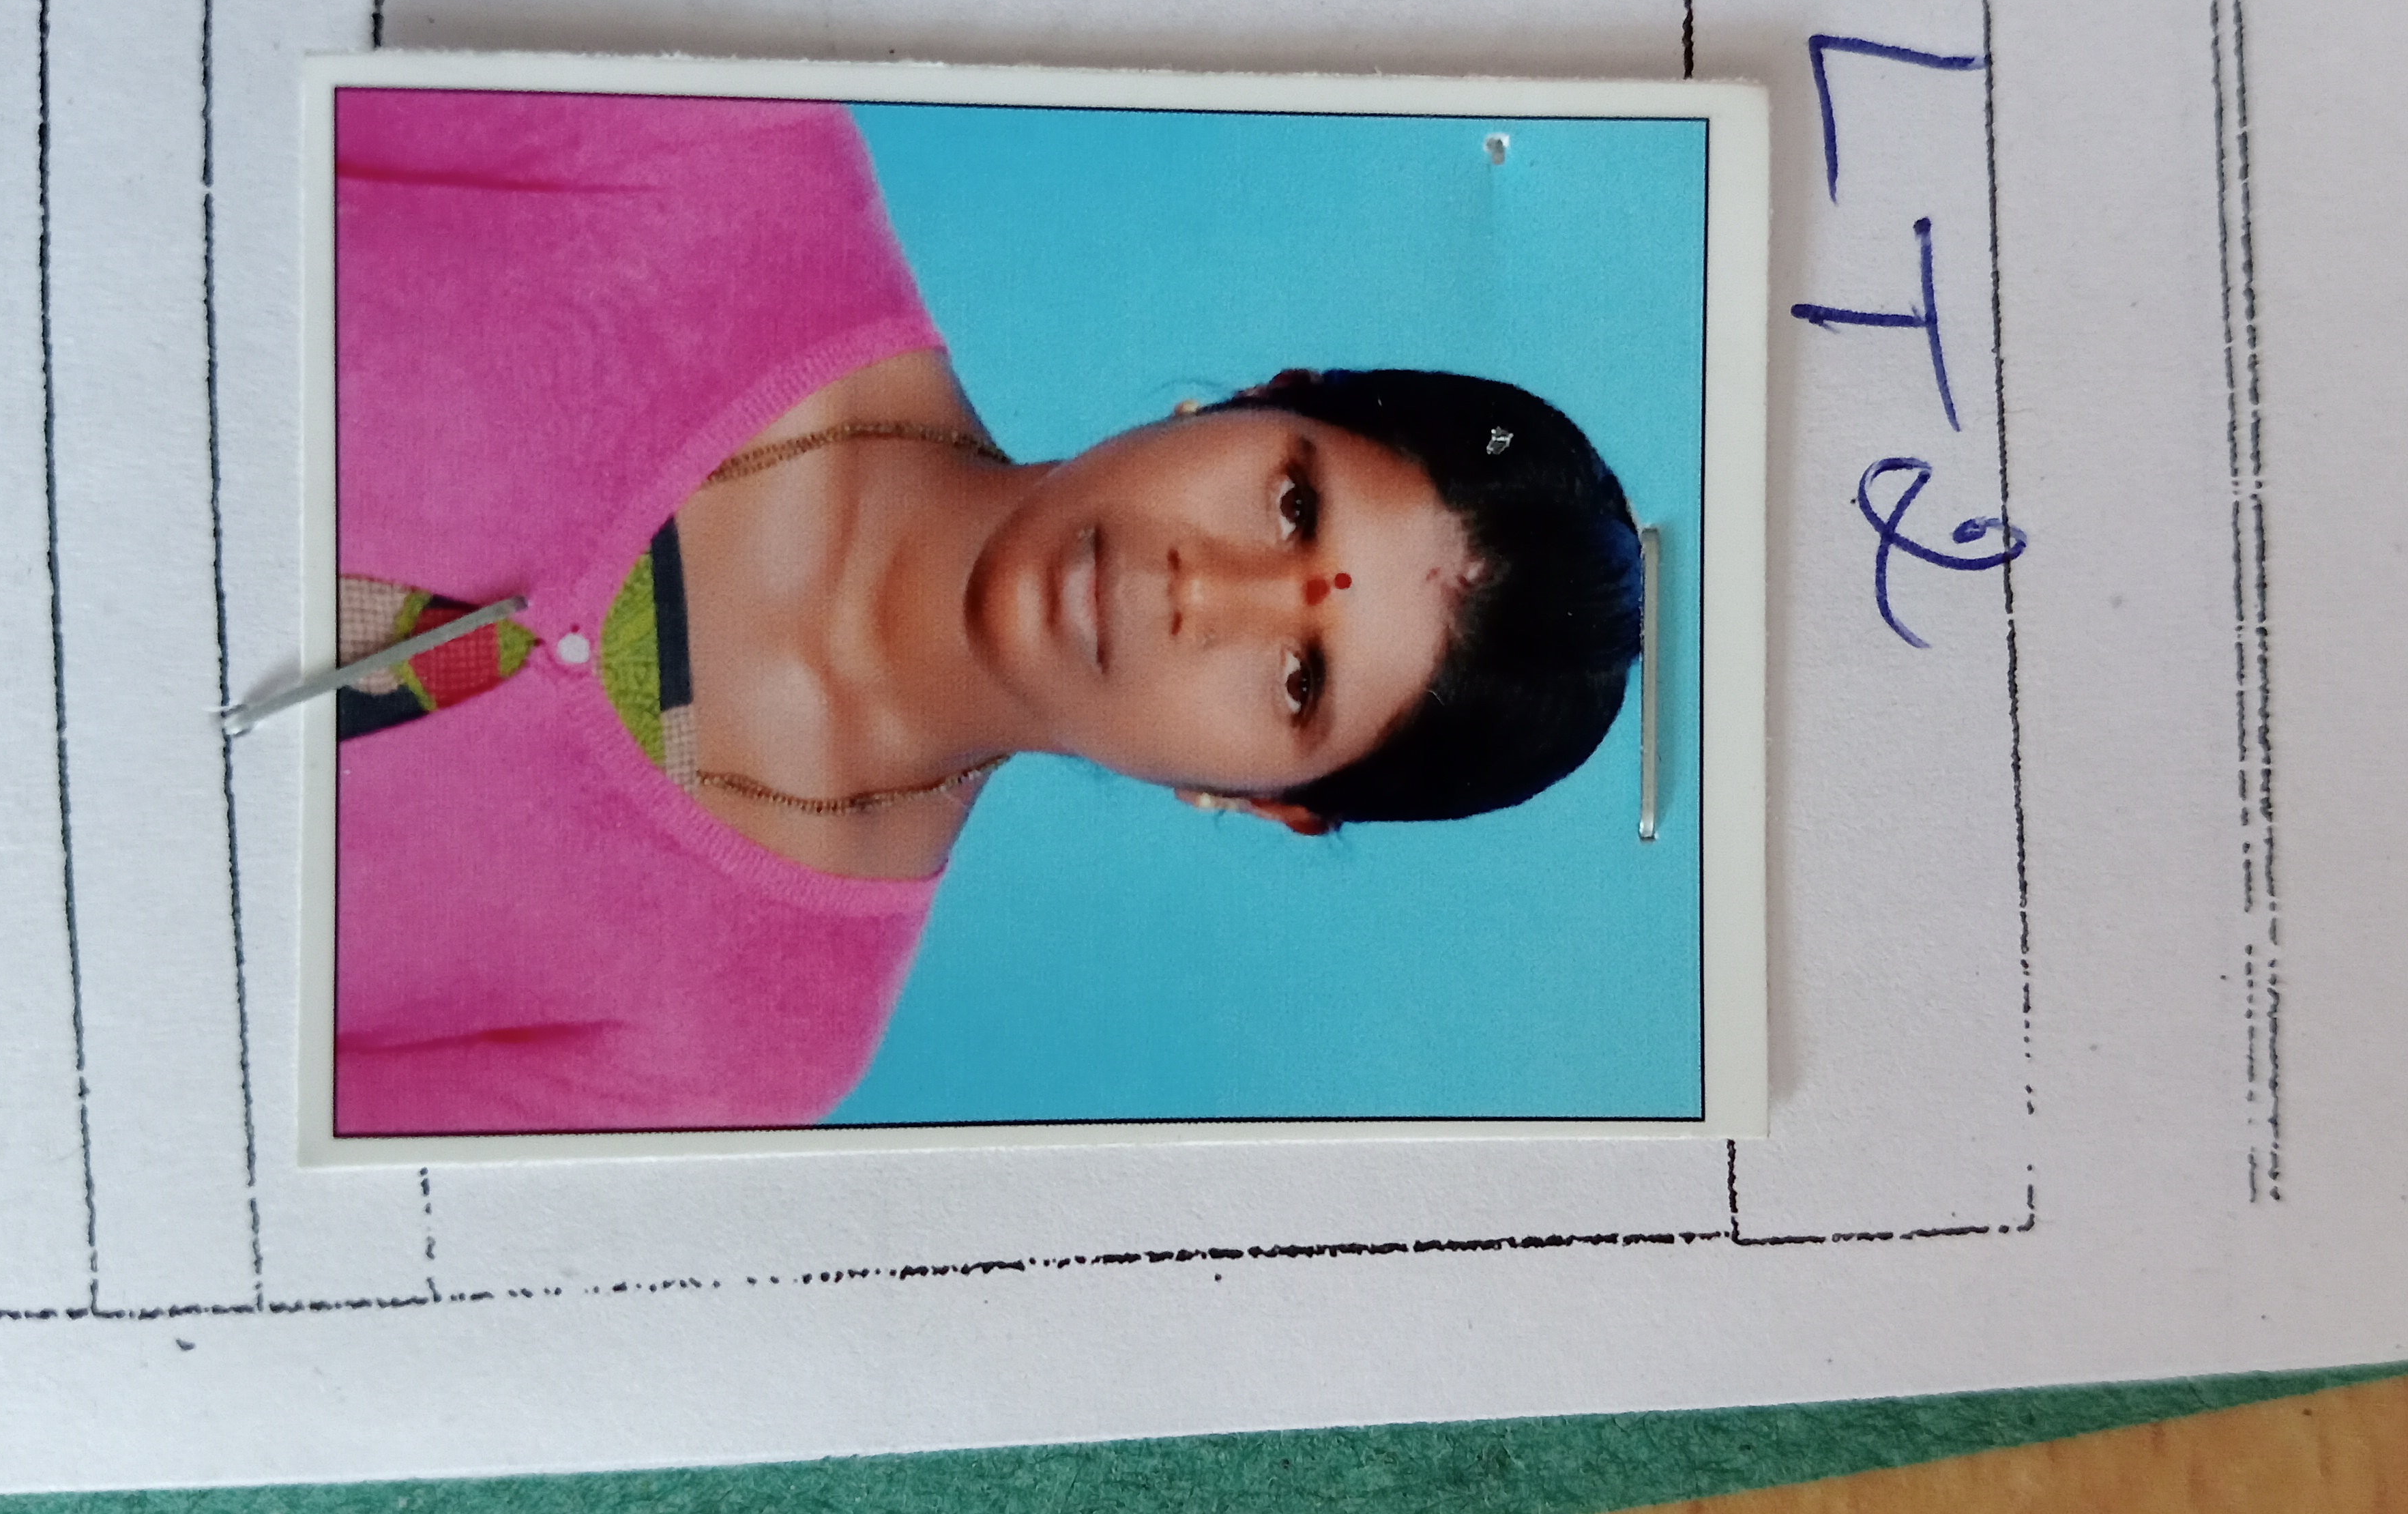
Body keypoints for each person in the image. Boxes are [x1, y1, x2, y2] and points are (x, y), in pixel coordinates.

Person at [330, 88, 1641, 1135]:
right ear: (1265, 394)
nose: (1202, 589)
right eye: (1294, 505)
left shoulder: (749, 1044)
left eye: (1302, 681)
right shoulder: (724, 156)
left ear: (1264, 803)